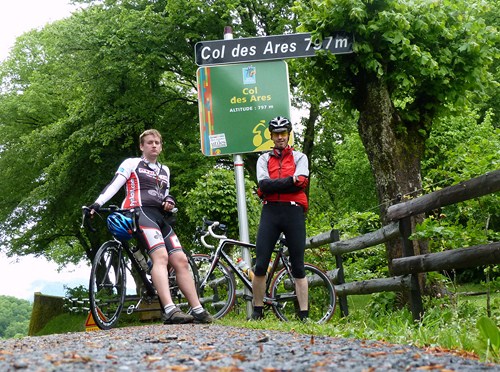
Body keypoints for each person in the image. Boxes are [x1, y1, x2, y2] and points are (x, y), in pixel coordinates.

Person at [88, 129, 213, 324]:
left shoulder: (165, 170)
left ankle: (197, 309)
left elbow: (165, 193)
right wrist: (97, 204)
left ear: (161, 147)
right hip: (138, 212)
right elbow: (114, 185)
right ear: (142, 146)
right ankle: (170, 310)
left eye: (157, 142)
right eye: (149, 142)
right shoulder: (131, 164)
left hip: (160, 217)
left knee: (181, 260)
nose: (154, 145)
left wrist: (169, 199)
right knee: (161, 257)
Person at [252, 116, 310, 321]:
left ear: (288, 134)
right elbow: (263, 185)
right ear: (271, 136)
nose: (280, 137)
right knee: (260, 264)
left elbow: (302, 181)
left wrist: (273, 184)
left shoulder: (300, 157)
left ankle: (304, 315)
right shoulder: (263, 159)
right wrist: (289, 181)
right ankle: (257, 312)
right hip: (271, 212)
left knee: (298, 266)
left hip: (293, 212)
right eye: (276, 134)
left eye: (283, 133)